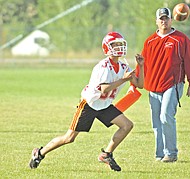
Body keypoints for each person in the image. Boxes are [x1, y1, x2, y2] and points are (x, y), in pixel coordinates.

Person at [29, 31, 144, 171]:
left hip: (105, 105)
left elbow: (140, 85)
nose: (119, 47)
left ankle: (106, 154)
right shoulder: (103, 66)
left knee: (127, 125)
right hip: (90, 104)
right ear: (107, 47)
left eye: (120, 44)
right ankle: (39, 153)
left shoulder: (124, 66)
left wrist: (141, 67)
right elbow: (104, 89)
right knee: (69, 138)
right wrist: (124, 79)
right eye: (115, 44)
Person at [135, 7, 190, 162]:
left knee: (166, 116)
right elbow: (142, 65)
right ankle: (160, 154)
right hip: (153, 87)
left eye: (166, 18)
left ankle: (171, 153)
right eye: (161, 19)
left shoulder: (181, 39)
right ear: (157, 21)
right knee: (156, 122)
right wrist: (136, 80)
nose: (164, 21)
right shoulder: (149, 41)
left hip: (172, 84)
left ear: (172, 20)